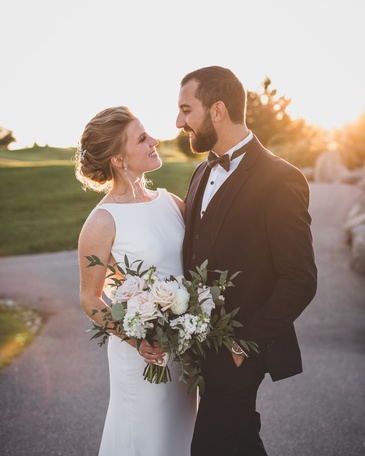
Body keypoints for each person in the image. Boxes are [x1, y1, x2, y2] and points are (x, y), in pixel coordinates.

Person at [176, 66, 317, 456]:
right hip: (201, 348)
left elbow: (300, 278)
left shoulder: (280, 179)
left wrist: (243, 346)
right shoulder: (201, 172)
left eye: (187, 110)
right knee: (240, 444)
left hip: (240, 352)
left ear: (217, 110)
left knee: (209, 448)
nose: (178, 121)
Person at [75, 106, 197, 456]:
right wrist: (137, 339)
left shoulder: (171, 203)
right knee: (144, 441)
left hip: (184, 353)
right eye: (142, 139)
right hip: (144, 357)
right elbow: (89, 298)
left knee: (182, 439)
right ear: (118, 158)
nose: (154, 141)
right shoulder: (102, 221)